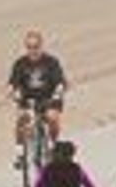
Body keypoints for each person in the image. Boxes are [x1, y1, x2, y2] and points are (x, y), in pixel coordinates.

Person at [6, 30, 69, 165]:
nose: (32, 51)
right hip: (28, 100)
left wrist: (59, 91)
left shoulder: (51, 62)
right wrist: (12, 91)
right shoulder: (20, 63)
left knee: (52, 118)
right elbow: (13, 82)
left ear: (41, 46)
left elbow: (60, 81)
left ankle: (52, 144)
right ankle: (20, 153)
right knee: (22, 120)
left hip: (49, 98)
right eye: (29, 47)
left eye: (35, 47)